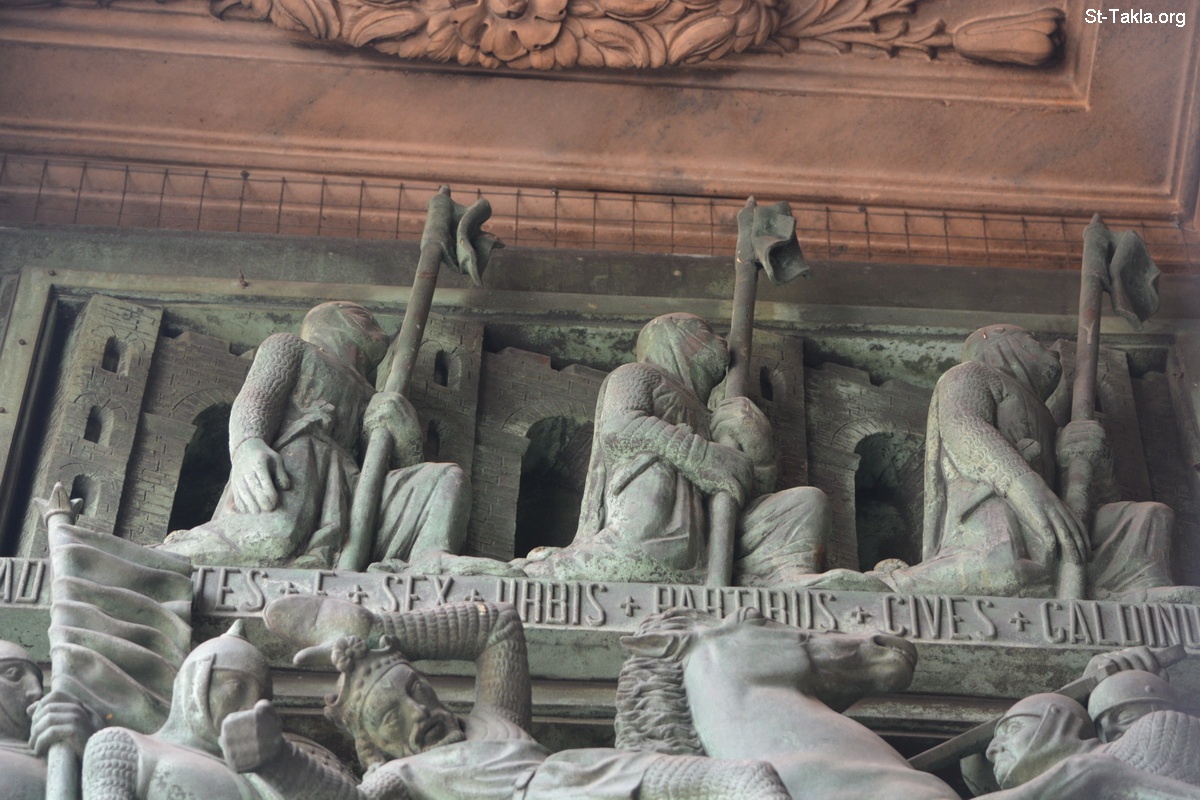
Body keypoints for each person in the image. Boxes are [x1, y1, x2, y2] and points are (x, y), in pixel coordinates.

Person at [221, 597, 791, 799]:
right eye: (391, 718)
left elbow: (498, 626)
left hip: (591, 778)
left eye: (417, 690)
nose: (419, 712)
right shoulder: (398, 776)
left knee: (745, 779)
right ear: (377, 747)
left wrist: (383, 631)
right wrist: (278, 761)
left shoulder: (495, 721)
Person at [522, 312, 831, 586]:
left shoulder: (714, 416)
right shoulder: (637, 374)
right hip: (655, 524)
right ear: (671, 335)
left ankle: (784, 573)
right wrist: (702, 455)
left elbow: (741, 493)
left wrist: (758, 446)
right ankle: (590, 561)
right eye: (706, 332)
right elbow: (620, 428)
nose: (721, 341)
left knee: (807, 502)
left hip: (714, 541)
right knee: (656, 468)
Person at [161, 301, 471, 572]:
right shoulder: (292, 347)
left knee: (445, 479)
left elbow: (383, 468)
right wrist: (248, 444)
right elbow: (258, 397)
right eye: (363, 317)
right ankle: (170, 557)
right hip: (298, 458)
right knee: (276, 535)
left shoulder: (372, 395)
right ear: (331, 318)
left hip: (353, 487)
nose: (376, 328)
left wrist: (406, 435)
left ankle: (429, 557)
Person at [879, 323, 1177, 599]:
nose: (1050, 352)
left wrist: (1095, 464)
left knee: (1148, 517)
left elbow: (1080, 500)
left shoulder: (1049, 422)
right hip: (994, 508)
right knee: (1010, 569)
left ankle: (1138, 592)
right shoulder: (970, 374)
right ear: (1001, 344)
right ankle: (895, 585)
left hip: (1054, 522)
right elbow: (964, 428)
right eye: (1033, 340)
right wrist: (1025, 485)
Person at [982, 691, 1200, 798]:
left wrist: (1120, 780)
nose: (992, 750)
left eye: (1012, 728)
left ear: (1057, 718)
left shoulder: (1157, 729)